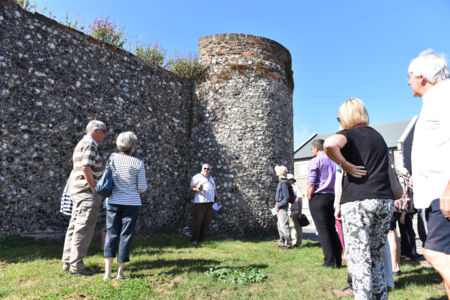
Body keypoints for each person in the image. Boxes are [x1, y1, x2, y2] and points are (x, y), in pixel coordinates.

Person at [324, 98, 402, 299]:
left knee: (359, 260)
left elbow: (330, 145)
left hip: (358, 201)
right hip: (383, 201)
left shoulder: (348, 134)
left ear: (346, 117)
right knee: (375, 257)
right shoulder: (378, 137)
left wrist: (345, 164)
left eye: (340, 117)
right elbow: (388, 169)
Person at [407, 50, 450, 296]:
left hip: (443, 192)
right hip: (436, 192)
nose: (408, 80)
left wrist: (449, 189)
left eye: (410, 75)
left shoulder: (442, 95)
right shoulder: (435, 99)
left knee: (435, 253)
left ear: (422, 77)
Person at [61, 120, 107, 276]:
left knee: (74, 226)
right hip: (86, 192)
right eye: (104, 131)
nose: (105, 134)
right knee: (83, 228)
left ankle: (68, 261)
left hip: (78, 191)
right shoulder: (90, 144)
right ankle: (77, 266)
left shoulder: (83, 143)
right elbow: (86, 167)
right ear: (95, 131)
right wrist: (95, 188)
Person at [103, 131, 147, 280]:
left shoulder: (112, 159)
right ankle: (120, 272)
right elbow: (142, 187)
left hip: (113, 201)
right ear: (133, 147)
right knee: (126, 235)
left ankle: (107, 273)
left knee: (111, 234)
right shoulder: (138, 163)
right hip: (132, 203)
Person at [307, 139, 342, 267]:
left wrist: (310, 196)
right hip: (332, 197)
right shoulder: (334, 160)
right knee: (332, 229)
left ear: (316, 148)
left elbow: (311, 182)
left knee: (323, 231)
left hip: (319, 196)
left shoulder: (315, 161)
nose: (312, 151)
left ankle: (328, 261)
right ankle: (337, 260)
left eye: (312, 149)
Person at [190, 164, 221, 245]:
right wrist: (197, 189)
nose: (206, 170)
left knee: (206, 222)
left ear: (210, 170)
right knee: (198, 221)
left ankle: (201, 239)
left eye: (208, 169)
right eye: (205, 168)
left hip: (210, 203)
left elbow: (214, 190)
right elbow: (191, 187)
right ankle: (194, 240)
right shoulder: (197, 177)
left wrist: (218, 199)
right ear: (202, 169)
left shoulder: (211, 178)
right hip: (200, 203)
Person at [274, 166, 292, 249]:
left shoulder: (284, 183)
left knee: (284, 226)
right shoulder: (282, 182)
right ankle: (281, 242)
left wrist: (278, 205)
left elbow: (286, 198)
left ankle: (288, 244)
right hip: (279, 206)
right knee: (279, 225)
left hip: (282, 207)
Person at [287, 173, 303, 247]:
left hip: (295, 210)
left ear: (292, 180)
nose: (289, 181)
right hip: (289, 211)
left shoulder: (296, 188)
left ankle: (299, 242)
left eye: (290, 180)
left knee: (297, 227)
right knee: (291, 227)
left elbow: (300, 200)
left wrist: (300, 212)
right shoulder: (287, 188)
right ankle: (294, 242)